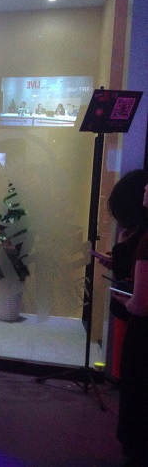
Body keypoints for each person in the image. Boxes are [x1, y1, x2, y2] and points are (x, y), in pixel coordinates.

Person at [102, 170, 148, 465]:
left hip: (142, 337)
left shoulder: (144, 243)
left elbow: (140, 306)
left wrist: (126, 299)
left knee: (137, 396)